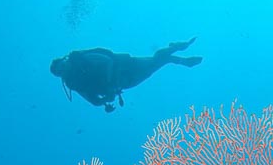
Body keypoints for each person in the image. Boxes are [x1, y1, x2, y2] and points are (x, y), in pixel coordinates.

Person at [50, 38, 202, 112]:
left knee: (155, 61)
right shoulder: (74, 83)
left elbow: (108, 61)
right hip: (125, 83)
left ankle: (179, 53)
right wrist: (105, 101)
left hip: (126, 66)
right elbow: (92, 100)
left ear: (65, 60)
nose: (64, 70)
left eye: (62, 66)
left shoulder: (81, 59)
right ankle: (177, 52)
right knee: (155, 65)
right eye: (60, 72)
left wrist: (109, 83)